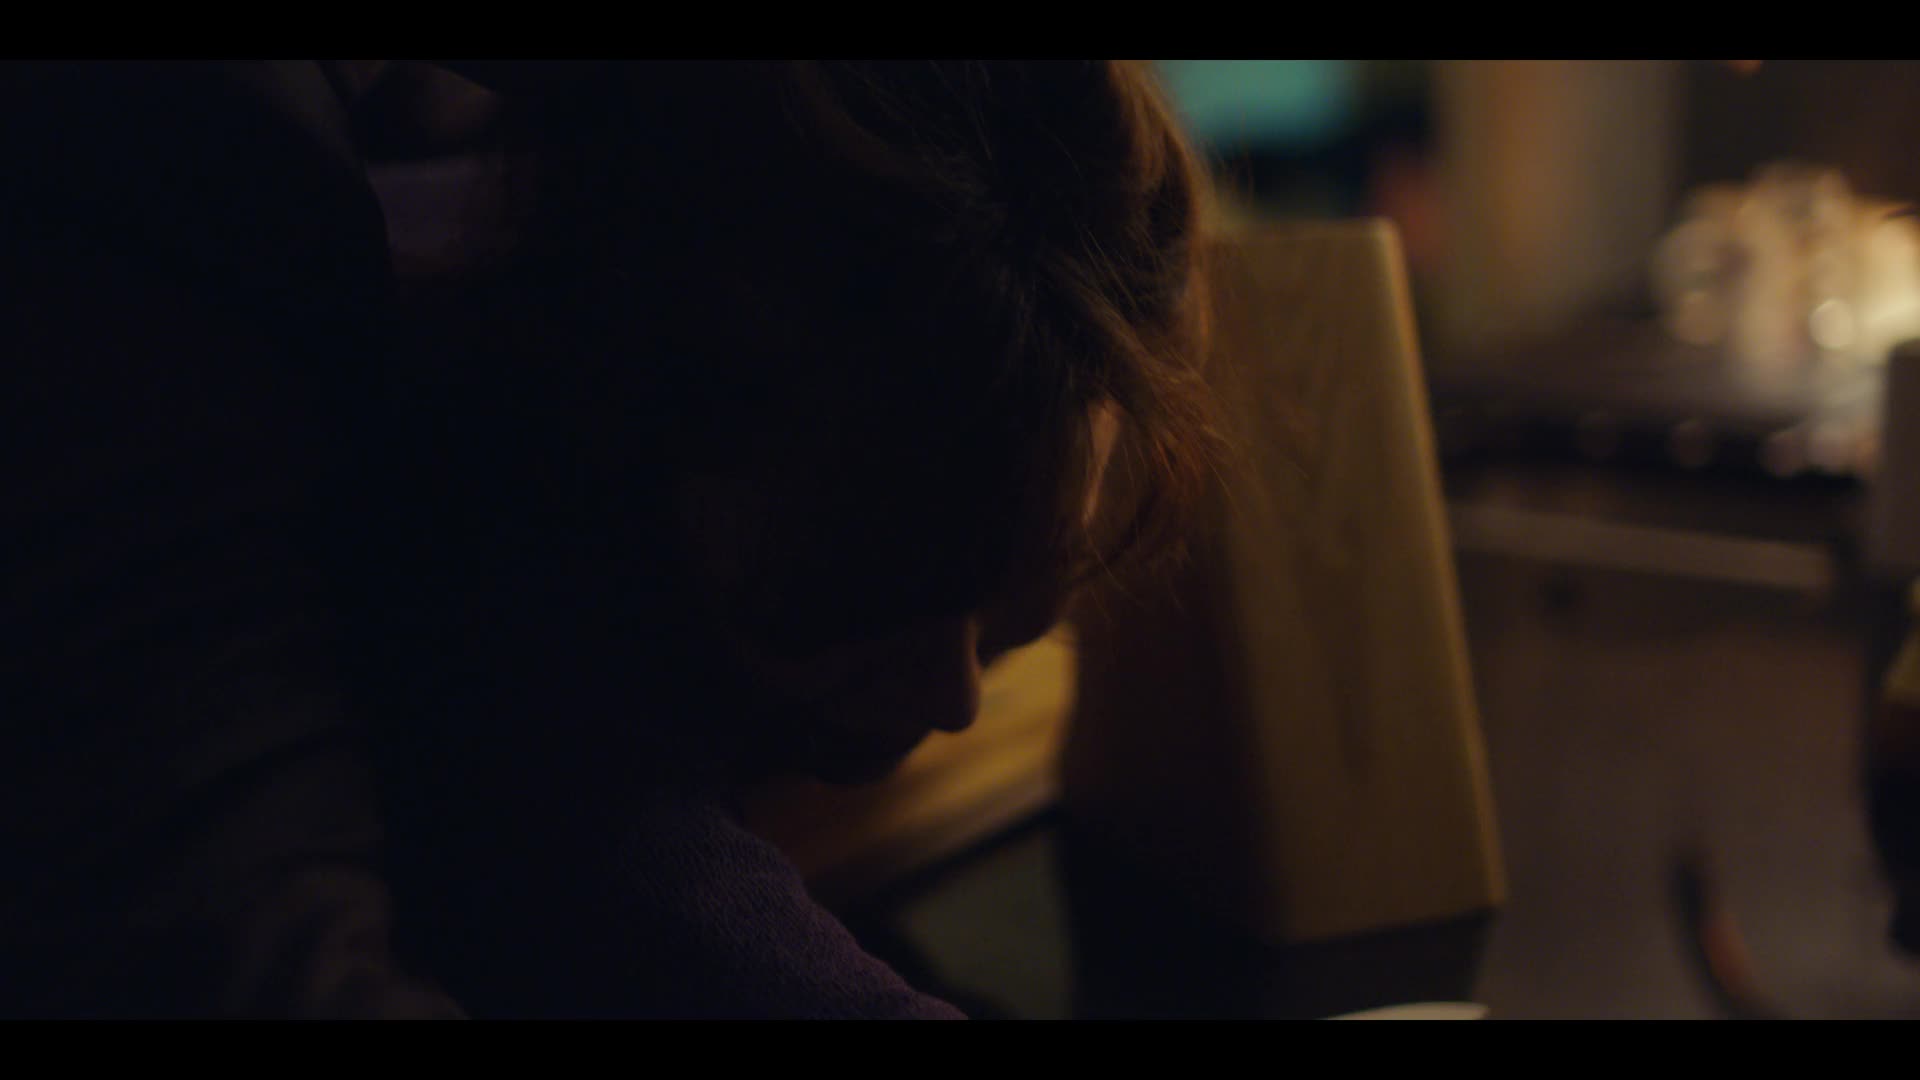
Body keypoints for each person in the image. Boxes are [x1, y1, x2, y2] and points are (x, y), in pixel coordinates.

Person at [353, 60, 1222, 1018]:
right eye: (868, 601)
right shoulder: (493, 615)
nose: (956, 698)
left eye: (1022, 592)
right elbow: (620, 868)